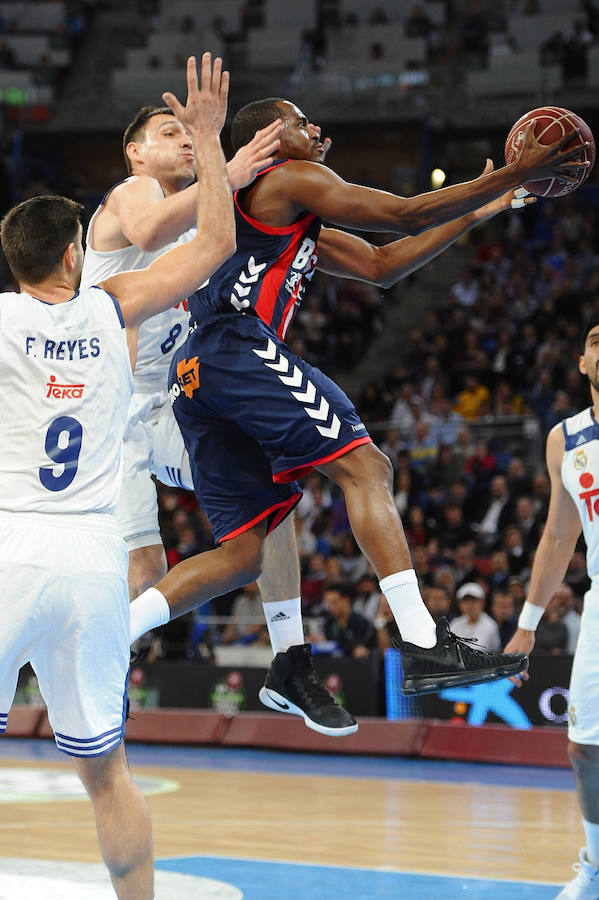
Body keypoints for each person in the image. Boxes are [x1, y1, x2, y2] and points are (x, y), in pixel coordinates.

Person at [126, 97, 586, 700]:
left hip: (195, 378)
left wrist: (488, 205)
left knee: (241, 554)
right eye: (300, 122)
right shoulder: (288, 177)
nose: (317, 129)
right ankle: (423, 642)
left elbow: (381, 264)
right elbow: (400, 214)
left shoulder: (274, 208)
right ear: (269, 137)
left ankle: (116, 627)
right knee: (366, 466)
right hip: (233, 347)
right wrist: (509, 174)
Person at [0, 53, 234, 900]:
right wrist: (208, 143)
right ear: (74, 253)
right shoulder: (114, 304)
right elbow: (213, 242)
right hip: (94, 561)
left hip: (12, 547)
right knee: (109, 775)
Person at [80, 76, 358, 735]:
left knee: (272, 480)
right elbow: (153, 225)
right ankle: (96, 678)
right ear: (135, 155)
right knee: (143, 567)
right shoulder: (132, 199)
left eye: (188, 131)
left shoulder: (214, 216)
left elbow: (318, 242)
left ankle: (289, 659)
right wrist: (225, 166)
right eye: (167, 133)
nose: (182, 139)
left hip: (170, 402)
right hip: (104, 415)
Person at [505, 315, 599, 898]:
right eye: (593, 340)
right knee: (584, 747)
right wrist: (527, 626)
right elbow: (559, 537)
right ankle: (596, 865)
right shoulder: (565, 438)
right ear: (582, 364)